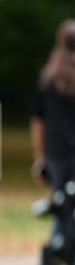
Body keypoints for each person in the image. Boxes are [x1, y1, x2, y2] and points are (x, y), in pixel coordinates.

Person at [31, 19, 75, 194]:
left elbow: (38, 123)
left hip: (57, 153)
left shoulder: (49, 79)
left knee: (61, 205)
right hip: (59, 154)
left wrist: (40, 157)